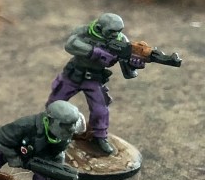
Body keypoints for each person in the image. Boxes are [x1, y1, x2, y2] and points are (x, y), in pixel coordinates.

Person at [46, 12, 144, 155]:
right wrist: (96, 52)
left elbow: (128, 72)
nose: (115, 34)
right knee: (55, 103)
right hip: (73, 74)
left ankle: (99, 137)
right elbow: (70, 44)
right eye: (111, 31)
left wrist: (134, 64)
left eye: (118, 31)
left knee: (100, 109)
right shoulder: (84, 31)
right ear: (99, 27)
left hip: (94, 79)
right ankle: (48, 131)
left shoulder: (122, 41)